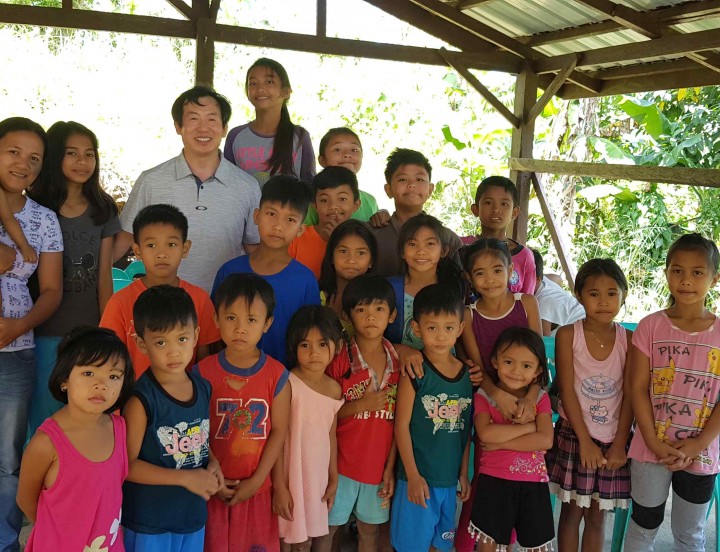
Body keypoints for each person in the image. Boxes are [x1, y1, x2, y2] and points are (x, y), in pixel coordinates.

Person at [625, 233, 720, 551]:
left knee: (690, 533)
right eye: (677, 270)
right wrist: (653, 441)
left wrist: (698, 443)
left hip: (701, 451)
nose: (686, 280)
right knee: (644, 526)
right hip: (650, 447)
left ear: (714, 278)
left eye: (697, 272)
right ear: (666, 273)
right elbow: (637, 388)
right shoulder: (650, 326)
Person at [115, 85, 260, 292]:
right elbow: (126, 237)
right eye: (193, 119)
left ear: (224, 128)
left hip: (226, 303)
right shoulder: (151, 181)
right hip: (163, 303)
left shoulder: (247, 186)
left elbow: (253, 247)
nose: (203, 128)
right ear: (178, 126)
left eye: (211, 119)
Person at [27, 121, 121, 435]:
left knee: (84, 417)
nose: (83, 162)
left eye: (89, 154)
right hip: (43, 332)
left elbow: (104, 277)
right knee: (44, 415)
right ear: (55, 156)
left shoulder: (102, 209)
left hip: (88, 333)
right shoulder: (36, 207)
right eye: (72, 153)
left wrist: (107, 331)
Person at [455, 237, 543, 552]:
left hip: (528, 401)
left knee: (520, 477)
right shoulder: (468, 315)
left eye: (497, 270)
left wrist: (530, 398)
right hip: (489, 402)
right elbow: (479, 369)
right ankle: (469, 543)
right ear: (469, 278)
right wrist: (499, 397)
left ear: (510, 271)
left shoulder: (526, 304)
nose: (490, 279)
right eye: (480, 273)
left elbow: (538, 360)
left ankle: (506, 538)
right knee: (487, 479)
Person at [0, 117, 63, 552]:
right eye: (13, 152)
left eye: (34, 158)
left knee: (7, 458)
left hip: (16, 349)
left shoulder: (44, 219)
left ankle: (5, 541)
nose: (23, 164)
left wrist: (19, 326)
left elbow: (52, 290)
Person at [194, 273, 290, 552]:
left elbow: (279, 431)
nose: (240, 329)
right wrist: (213, 474)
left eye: (251, 320)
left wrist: (258, 481)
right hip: (211, 488)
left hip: (258, 492)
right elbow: (196, 428)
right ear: (216, 319)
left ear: (267, 323)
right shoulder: (201, 373)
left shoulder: (277, 375)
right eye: (231, 318)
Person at [122, 285, 222, 551]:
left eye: (182, 339)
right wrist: (184, 478)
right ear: (141, 344)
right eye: (161, 342)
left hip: (191, 518)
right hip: (150, 524)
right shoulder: (140, 400)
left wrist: (213, 463)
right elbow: (126, 466)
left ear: (196, 335)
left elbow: (199, 439)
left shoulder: (202, 388)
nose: (174, 351)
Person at [17, 326, 133, 552]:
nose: (101, 384)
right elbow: (26, 500)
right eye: (88, 373)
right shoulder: (46, 443)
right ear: (64, 379)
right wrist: (58, 532)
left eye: (113, 376)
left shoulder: (119, 429)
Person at [545, 259, 633, 552]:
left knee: (597, 517)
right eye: (594, 293)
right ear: (579, 295)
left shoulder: (629, 340)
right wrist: (584, 441)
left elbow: (631, 395)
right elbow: (567, 390)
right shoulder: (568, 334)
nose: (603, 301)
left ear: (623, 295)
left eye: (612, 293)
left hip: (613, 441)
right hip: (574, 435)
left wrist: (620, 444)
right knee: (571, 514)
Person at [391, 284, 472, 552]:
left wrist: (463, 474)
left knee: (441, 545)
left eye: (449, 328)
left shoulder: (465, 376)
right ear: (417, 329)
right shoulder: (415, 371)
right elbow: (401, 426)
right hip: (418, 480)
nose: (440, 336)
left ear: (460, 329)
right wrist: (413, 476)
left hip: (449, 481)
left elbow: (464, 432)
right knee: (411, 546)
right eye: (432, 327)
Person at [212, 175, 320, 366]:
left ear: (301, 229)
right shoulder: (229, 271)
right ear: (256, 216)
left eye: (290, 219)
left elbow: (310, 337)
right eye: (271, 214)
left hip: (285, 378)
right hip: (230, 375)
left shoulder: (305, 281)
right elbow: (214, 332)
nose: (278, 226)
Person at [101, 204, 220, 377]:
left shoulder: (199, 299)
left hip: (185, 392)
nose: (162, 253)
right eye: (151, 245)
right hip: (135, 391)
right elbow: (110, 358)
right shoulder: (120, 302)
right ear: (137, 251)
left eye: (171, 244)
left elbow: (204, 359)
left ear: (185, 248)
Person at [325, 275, 399, 552]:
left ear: (392, 315)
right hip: (339, 467)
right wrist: (360, 406)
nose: (370, 317)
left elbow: (399, 424)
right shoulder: (338, 359)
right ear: (347, 315)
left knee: (370, 532)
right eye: (361, 309)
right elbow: (323, 414)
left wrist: (389, 469)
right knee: (330, 529)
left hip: (377, 469)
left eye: (379, 309)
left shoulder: (400, 363)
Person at [468, 327, 555, 552]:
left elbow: (545, 440)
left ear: (537, 371)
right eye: (508, 362)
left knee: (537, 545)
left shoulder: (541, 399)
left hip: (534, 482)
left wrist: (500, 443)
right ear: (495, 361)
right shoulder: (484, 396)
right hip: (494, 480)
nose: (516, 371)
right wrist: (529, 427)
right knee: (488, 543)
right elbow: (486, 434)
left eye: (526, 366)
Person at [274, 306, 344, 551]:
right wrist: (279, 486)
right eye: (305, 345)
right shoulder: (286, 383)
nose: (314, 353)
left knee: (306, 540)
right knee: (285, 537)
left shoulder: (334, 389)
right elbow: (277, 437)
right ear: (294, 347)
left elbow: (330, 435)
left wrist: (333, 477)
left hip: (316, 477)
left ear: (337, 346)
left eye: (322, 344)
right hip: (289, 474)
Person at [385, 214, 464, 372]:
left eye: (430, 244)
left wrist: (466, 363)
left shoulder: (453, 288)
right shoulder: (389, 288)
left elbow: (459, 334)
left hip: (445, 373)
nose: (421, 251)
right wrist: (400, 349)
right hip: (400, 372)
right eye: (412, 244)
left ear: (443, 250)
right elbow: (371, 335)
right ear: (402, 251)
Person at [370, 148, 462, 278]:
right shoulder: (372, 233)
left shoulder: (448, 239)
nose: (412, 185)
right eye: (402, 179)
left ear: (430, 189)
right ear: (388, 189)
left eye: (419, 179)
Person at [224, 57, 315, 187]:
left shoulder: (300, 136)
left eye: (269, 82)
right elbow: (227, 184)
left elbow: (309, 185)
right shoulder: (236, 136)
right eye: (253, 83)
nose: (260, 88)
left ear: (286, 91)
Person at [463, 176, 536, 294]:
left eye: (504, 204)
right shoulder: (461, 246)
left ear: (514, 212)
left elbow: (527, 299)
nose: (496, 209)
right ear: (475, 209)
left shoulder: (524, 256)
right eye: (488, 202)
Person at [288, 166, 360, 279]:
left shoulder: (362, 241)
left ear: (355, 205)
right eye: (324, 200)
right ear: (314, 205)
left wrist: (337, 241)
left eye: (342, 199)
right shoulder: (296, 238)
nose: (333, 206)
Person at [304, 127, 379, 225]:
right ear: (322, 160)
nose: (347, 155)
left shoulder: (370, 202)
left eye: (354, 150)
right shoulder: (308, 202)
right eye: (337, 149)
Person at [318, 219, 377, 334]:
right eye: (343, 251)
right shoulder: (317, 297)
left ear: (371, 261)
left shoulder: (379, 300)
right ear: (331, 256)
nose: (351, 260)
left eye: (361, 253)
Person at [531, 249, 585, 336]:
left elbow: (542, 341)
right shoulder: (542, 281)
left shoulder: (543, 303)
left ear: (536, 280)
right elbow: (557, 278)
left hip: (584, 334)